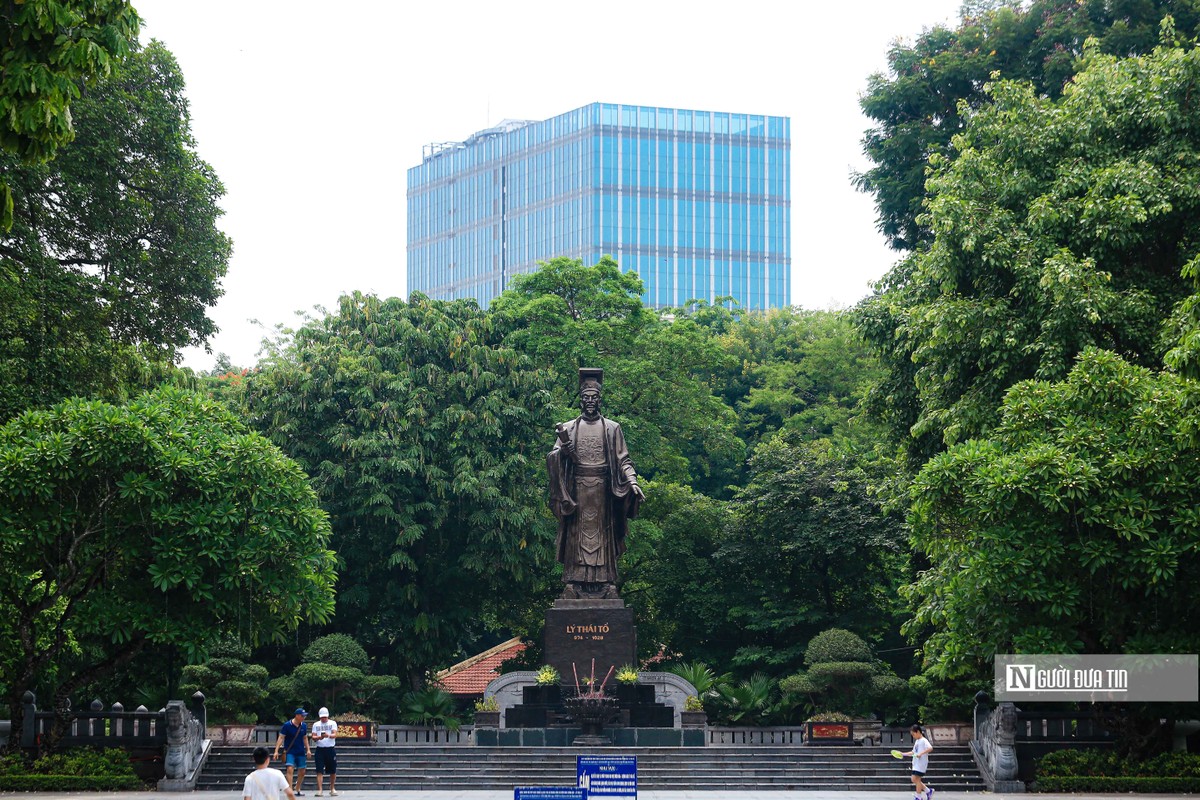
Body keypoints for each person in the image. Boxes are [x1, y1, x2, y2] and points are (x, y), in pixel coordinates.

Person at [547, 368, 645, 600]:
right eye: (586, 398)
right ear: (580, 400)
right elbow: (553, 456)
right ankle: (572, 582)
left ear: (600, 400)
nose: (590, 402)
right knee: (576, 536)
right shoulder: (569, 428)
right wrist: (562, 454)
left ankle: (607, 583)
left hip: (603, 490)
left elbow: (624, 460)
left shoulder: (612, 428)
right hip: (577, 491)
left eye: (594, 398)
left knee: (604, 536)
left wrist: (632, 481)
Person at [273, 708, 312, 796]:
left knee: (302, 770)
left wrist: (308, 749)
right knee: (290, 768)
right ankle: (290, 790)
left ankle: (297, 787)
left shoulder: (303, 726)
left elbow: (305, 738)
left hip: (300, 751)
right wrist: (276, 751)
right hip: (290, 751)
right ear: (297, 715)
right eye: (302, 716)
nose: (303, 718)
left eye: (304, 716)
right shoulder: (287, 725)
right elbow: (281, 737)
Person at [310, 707, 339, 797]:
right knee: (319, 770)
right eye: (322, 717)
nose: (324, 719)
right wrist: (320, 737)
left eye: (325, 717)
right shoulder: (316, 725)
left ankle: (332, 788)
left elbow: (335, 734)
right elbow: (313, 736)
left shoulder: (332, 723)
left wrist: (328, 735)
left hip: (330, 748)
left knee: (332, 770)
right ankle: (320, 789)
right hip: (320, 749)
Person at [903, 723, 934, 800]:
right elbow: (913, 752)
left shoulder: (924, 740)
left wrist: (921, 753)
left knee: (916, 779)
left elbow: (930, 748)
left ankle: (918, 796)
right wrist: (903, 754)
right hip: (916, 763)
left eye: (913, 734)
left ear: (918, 732)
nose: (913, 736)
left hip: (921, 764)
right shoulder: (917, 741)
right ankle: (928, 791)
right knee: (914, 779)